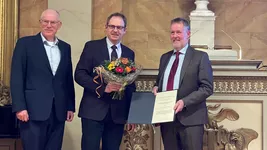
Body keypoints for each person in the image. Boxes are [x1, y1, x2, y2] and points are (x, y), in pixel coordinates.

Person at [10, 9, 75, 150]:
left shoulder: (65, 47)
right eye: (45, 21)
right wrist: (20, 107)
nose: (49, 25)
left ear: (59, 25)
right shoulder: (25, 44)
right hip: (32, 111)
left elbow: (67, 78)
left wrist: (70, 105)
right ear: (40, 23)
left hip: (58, 110)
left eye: (53, 22)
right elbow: (17, 77)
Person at [75, 12, 136, 150]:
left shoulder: (129, 53)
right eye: (112, 26)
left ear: (125, 30)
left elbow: (131, 86)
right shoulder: (92, 47)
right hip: (93, 111)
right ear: (106, 28)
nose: (115, 30)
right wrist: (103, 88)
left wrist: (132, 115)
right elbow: (79, 74)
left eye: (119, 27)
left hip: (118, 114)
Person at [152, 17, 213, 150]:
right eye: (172, 32)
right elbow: (159, 82)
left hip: (191, 119)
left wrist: (184, 102)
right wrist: (156, 87)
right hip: (167, 121)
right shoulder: (165, 58)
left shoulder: (200, 57)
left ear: (188, 34)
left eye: (178, 32)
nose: (175, 36)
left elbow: (207, 88)